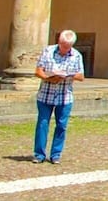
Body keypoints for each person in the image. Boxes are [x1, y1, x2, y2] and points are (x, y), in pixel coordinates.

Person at [31, 30, 86, 165]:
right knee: (43, 124)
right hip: (46, 94)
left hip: (64, 96)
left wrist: (68, 75)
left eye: (67, 46)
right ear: (59, 41)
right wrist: (48, 77)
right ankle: (39, 154)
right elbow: (38, 71)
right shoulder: (48, 51)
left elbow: (81, 76)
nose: (64, 48)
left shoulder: (76, 56)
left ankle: (55, 154)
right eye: (62, 45)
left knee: (61, 125)